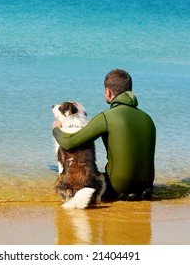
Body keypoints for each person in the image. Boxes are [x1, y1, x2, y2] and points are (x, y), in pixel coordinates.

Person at [52, 69, 156, 201]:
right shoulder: (147, 118)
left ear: (108, 91)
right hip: (147, 187)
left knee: (81, 180)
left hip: (118, 188)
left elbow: (70, 143)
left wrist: (57, 129)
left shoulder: (106, 117)